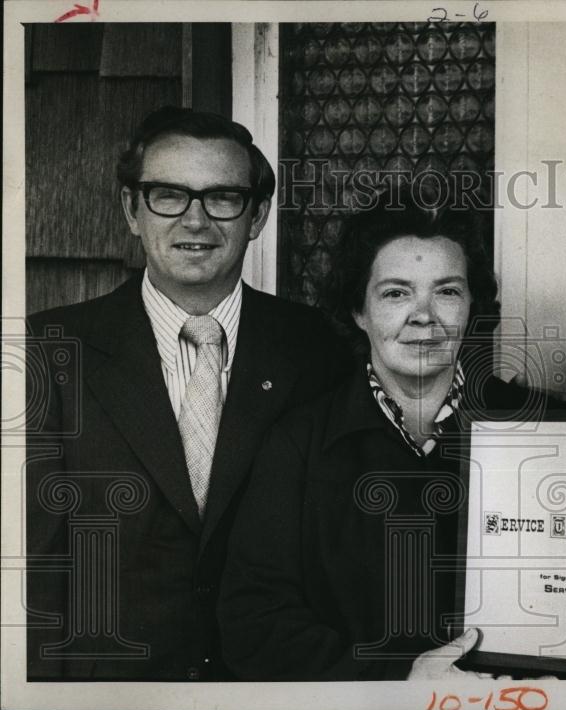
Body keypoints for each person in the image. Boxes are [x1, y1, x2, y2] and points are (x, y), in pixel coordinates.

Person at [26, 107, 351, 680]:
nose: (195, 220)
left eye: (223, 196)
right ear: (132, 210)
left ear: (257, 216)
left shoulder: (316, 348)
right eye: (169, 195)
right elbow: (30, 565)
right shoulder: (51, 349)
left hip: (268, 686)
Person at [218, 190, 548, 680]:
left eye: (447, 291)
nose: (424, 315)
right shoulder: (298, 443)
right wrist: (397, 680)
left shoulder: (539, 427)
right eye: (396, 292)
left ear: (473, 306)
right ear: (358, 310)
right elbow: (255, 620)